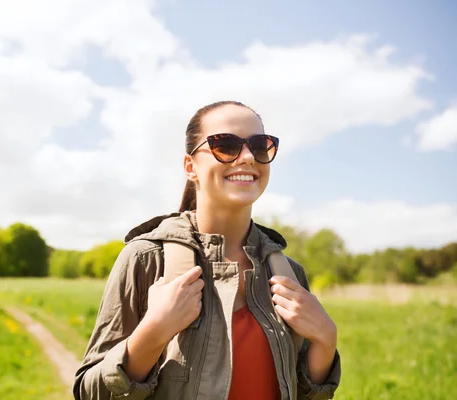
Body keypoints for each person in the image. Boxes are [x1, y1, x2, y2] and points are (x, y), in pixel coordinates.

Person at [73, 100, 341, 400]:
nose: (248, 157)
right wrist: (153, 332)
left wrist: (325, 341)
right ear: (191, 167)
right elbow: (89, 392)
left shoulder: (289, 273)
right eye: (225, 145)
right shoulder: (145, 259)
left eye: (260, 146)